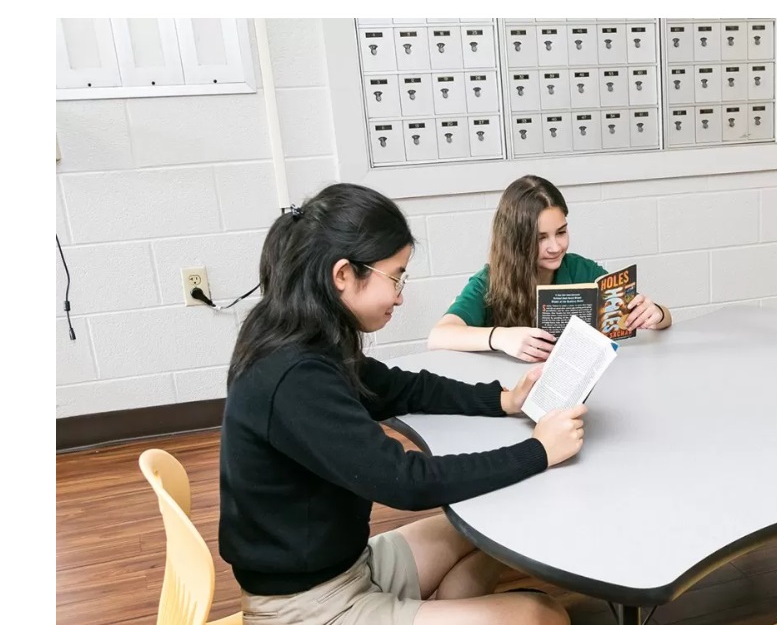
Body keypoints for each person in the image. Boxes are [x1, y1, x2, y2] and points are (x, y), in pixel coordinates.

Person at [219, 183, 583, 625]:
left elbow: (399, 388)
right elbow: (406, 481)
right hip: (310, 606)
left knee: (490, 526)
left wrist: (504, 399)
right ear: (343, 275)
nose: (400, 294)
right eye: (396, 276)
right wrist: (539, 450)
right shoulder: (294, 375)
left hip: (348, 568)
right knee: (543, 615)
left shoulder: (303, 331)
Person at [428, 174, 671, 361]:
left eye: (562, 232)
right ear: (516, 239)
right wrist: (501, 337)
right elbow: (439, 336)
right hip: (510, 390)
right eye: (540, 237)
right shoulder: (490, 281)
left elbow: (665, 318)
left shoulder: (580, 270)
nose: (555, 247)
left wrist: (656, 313)